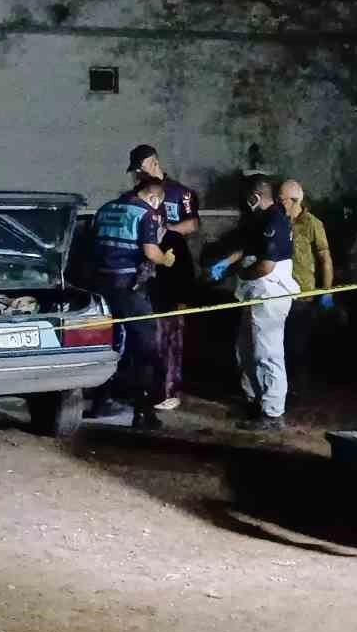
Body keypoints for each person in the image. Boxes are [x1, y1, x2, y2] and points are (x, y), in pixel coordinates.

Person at [208, 177, 299, 431]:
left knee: (267, 353)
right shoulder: (260, 219)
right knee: (245, 350)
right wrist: (226, 263)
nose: (244, 202)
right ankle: (255, 401)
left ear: (256, 196)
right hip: (254, 294)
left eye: (247, 196)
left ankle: (273, 413)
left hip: (269, 294)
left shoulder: (275, 221)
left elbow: (265, 266)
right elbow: (247, 247)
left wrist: (241, 273)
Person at [88, 177, 175, 429]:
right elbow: (150, 252)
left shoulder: (105, 209)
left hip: (102, 287)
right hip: (130, 288)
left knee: (111, 343)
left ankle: (101, 402)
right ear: (154, 197)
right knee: (144, 348)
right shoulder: (145, 213)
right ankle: (143, 412)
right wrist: (165, 259)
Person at [127, 144, 201, 411]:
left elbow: (193, 224)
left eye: (141, 168)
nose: (138, 174)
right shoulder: (134, 195)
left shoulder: (181, 194)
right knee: (147, 335)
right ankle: (145, 388)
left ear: (154, 163)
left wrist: (163, 231)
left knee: (171, 335)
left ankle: (169, 390)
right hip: (144, 274)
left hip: (170, 272)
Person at [276, 179, 335, 388]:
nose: (279, 203)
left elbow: (325, 259)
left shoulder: (312, 224)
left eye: (282, 200)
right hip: (278, 292)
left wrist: (327, 291)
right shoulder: (278, 221)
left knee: (298, 346)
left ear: (295, 200)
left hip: (302, 296)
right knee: (279, 345)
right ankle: (281, 387)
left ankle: (298, 388)